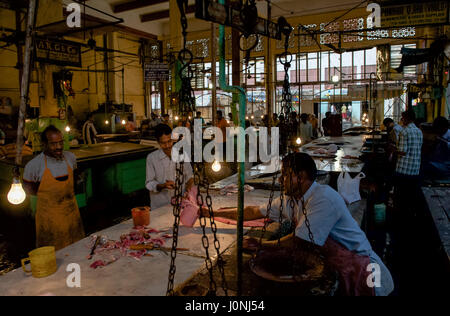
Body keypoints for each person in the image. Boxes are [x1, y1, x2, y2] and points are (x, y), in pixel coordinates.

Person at [203, 153, 394, 296]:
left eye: (285, 175)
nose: (280, 180)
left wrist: (261, 244)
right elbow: (252, 211)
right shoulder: (291, 200)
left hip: (366, 272)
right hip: (339, 268)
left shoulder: (323, 198)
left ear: (301, 177)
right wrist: (211, 213)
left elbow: (301, 241)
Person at [23, 125, 85, 250]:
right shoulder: (33, 166)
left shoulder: (71, 158)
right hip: (49, 221)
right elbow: (29, 190)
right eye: (53, 144)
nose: (58, 147)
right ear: (44, 144)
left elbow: (75, 178)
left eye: (60, 142)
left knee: (77, 251)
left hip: (72, 216)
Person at [146, 124, 194, 210]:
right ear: (158, 142)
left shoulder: (182, 155)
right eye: (163, 143)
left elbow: (190, 177)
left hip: (180, 203)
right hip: (160, 206)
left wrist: (188, 191)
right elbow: (149, 183)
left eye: (169, 141)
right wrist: (163, 185)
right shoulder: (152, 158)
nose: (167, 145)